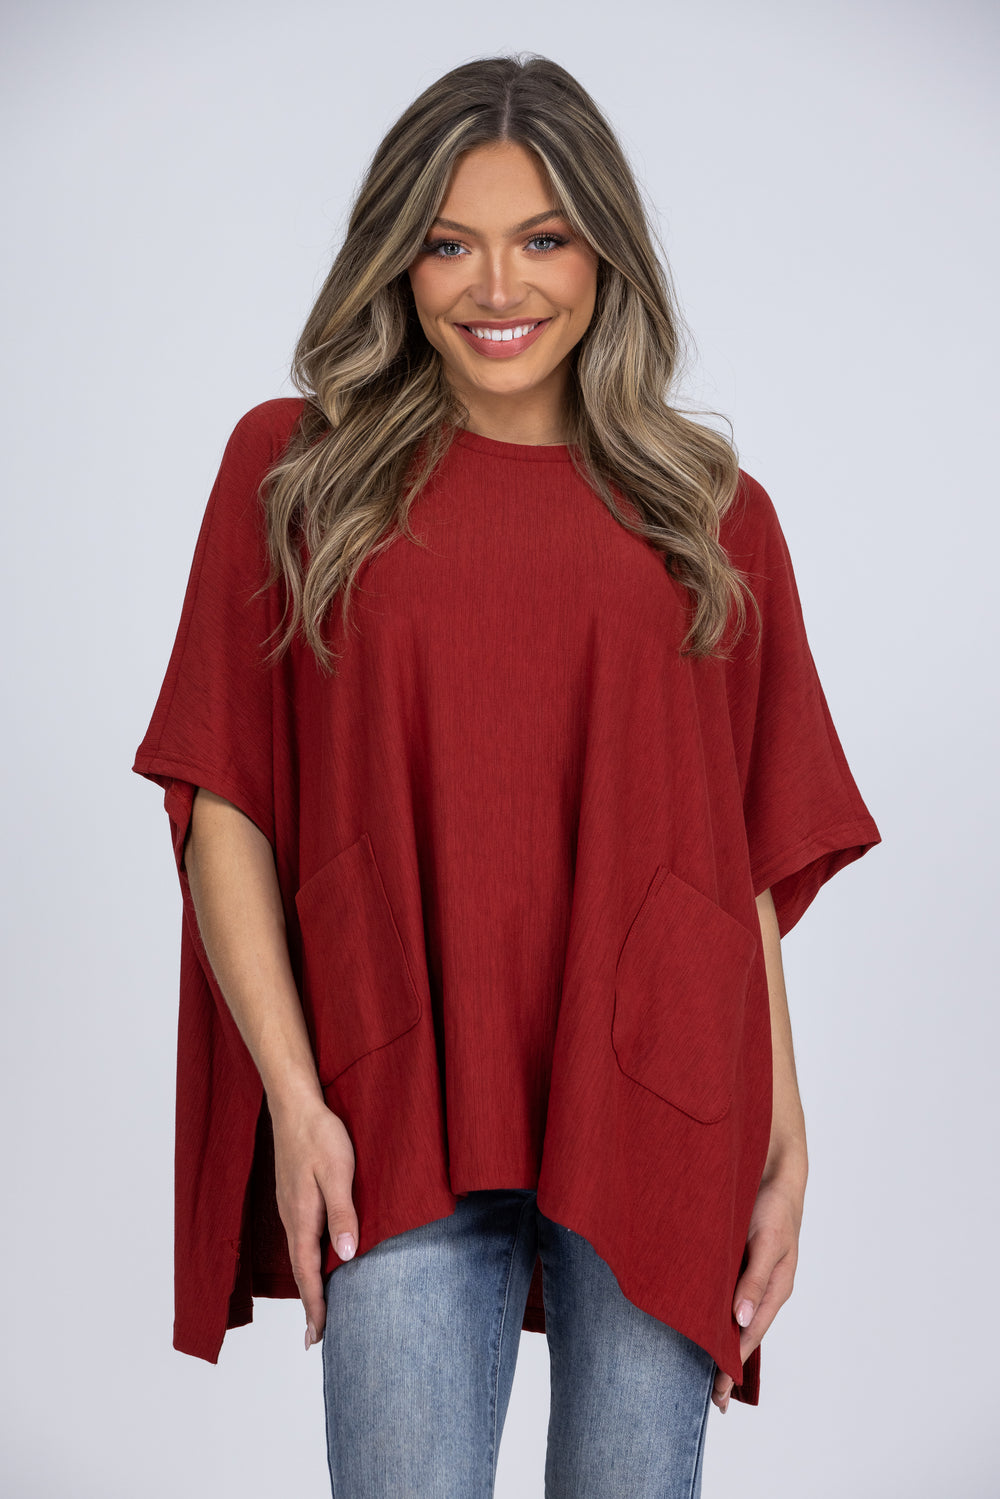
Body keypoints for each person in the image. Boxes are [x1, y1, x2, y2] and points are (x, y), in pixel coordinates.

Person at [132, 53, 880, 1498]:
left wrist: (787, 1135)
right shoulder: (298, 471)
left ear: (605, 253)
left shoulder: (713, 515)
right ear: (396, 260)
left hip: (661, 1100)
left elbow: (736, 861)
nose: (497, 286)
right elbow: (226, 802)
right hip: (394, 1089)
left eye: (542, 238)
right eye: (448, 243)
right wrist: (294, 1098)